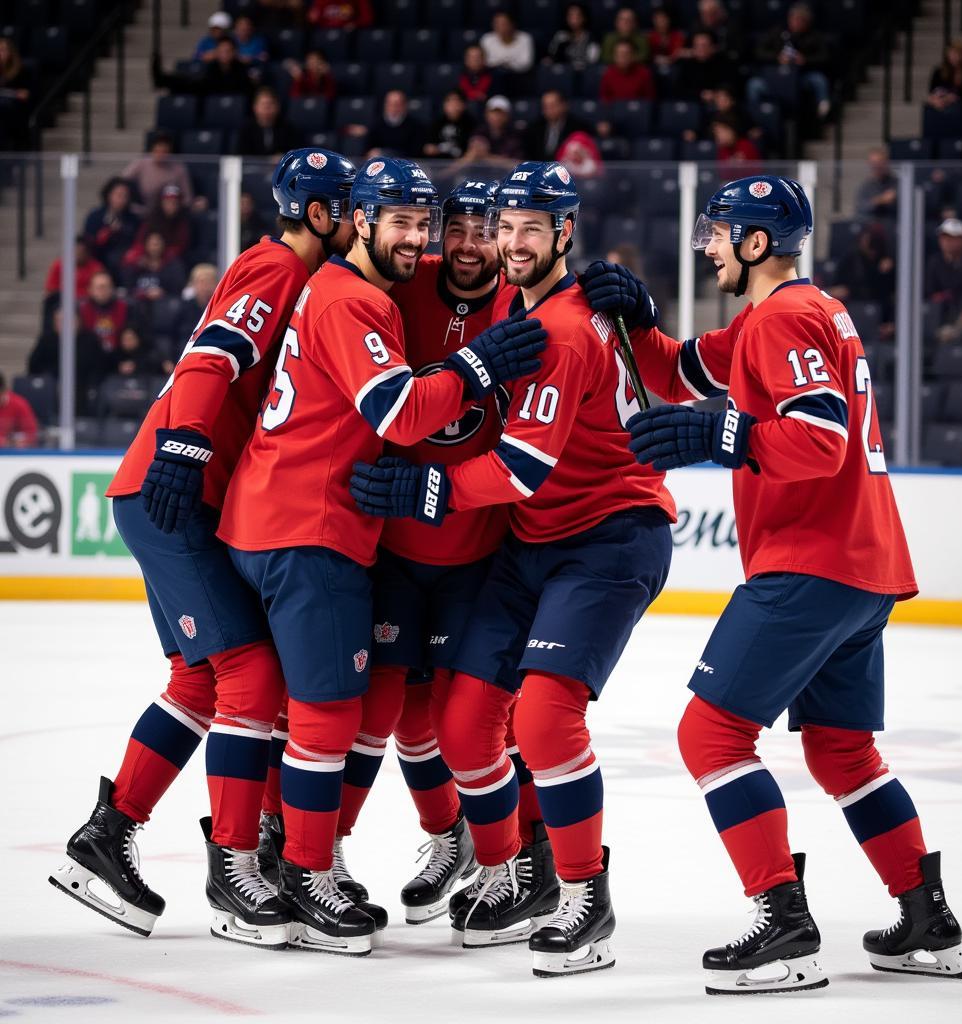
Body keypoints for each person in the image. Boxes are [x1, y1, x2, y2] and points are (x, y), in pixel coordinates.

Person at [607, 174, 962, 994]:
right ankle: (925, 917)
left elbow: (819, 439)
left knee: (709, 735)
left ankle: (784, 922)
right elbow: (678, 372)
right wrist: (638, 320)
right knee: (842, 750)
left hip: (813, 560)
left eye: (719, 233)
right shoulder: (785, 315)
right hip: (860, 567)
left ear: (757, 243)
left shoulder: (788, 318)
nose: (707, 245)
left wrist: (719, 432)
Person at [350, 162, 676, 978]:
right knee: (461, 730)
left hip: (607, 539)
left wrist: (427, 487)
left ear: (565, 232)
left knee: (543, 722)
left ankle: (580, 893)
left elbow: (522, 468)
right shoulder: (537, 305)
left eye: (533, 228)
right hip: (532, 544)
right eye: (506, 228)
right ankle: (519, 868)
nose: (512, 242)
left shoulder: (562, 327)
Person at [216, 158, 546, 955]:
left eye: (423, 222)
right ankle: (301, 869)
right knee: (338, 715)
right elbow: (399, 414)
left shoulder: (363, 288)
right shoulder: (361, 298)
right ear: (358, 220)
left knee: (420, 720)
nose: (429, 239)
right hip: (318, 525)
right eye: (404, 220)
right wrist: (478, 365)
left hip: (311, 522)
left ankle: (279, 861)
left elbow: (559, 287)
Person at [49, 150, 360, 952]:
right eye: (350, 212)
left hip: (181, 490)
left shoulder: (301, 274)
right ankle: (233, 865)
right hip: (174, 489)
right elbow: (213, 353)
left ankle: (106, 835)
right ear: (321, 216)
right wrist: (186, 445)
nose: (360, 225)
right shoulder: (275, 268)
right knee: (249, 673)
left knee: (199, 675)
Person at [325, 180, 537, 926]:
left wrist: (619, 296)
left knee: (466, 719)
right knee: (379, 713)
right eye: (460, 231)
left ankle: (497, 858)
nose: (473, 247)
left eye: (489, 233)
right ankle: (332, 853)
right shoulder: (392, 289)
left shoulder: (519, 304)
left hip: (476, 553)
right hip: (390, 549)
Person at [749, 2, 831, 120]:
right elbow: (759, 52)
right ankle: (756, 115)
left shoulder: (814, 36)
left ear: (807, 22)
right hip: (775, 78)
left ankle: (823, 113)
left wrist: (805, 59)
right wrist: (777, 57)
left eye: (800, 20)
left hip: (800, 77)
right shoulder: (777, 32)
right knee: (754, 85)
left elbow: (824, 56)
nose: (796, 23)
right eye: (794, 19)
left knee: (818, 79)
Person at [828, 223, 896, 338]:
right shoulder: (851, 259)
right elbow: (838, 287)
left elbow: (889, 292)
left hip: (880, 310)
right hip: (852, 305)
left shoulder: (886, 262)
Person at [925, 218, 962, 345]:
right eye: (944, 238)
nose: (946, 242)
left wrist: (950, 296)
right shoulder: (934, 262)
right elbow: (929, 290)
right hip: (940, 311)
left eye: (952, 238)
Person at [83, 178, 142, 280]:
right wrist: (106, 233)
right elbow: (88, 240)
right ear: (109, 194)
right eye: (118, 195)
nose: (121, 199)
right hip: (99, 257)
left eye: (125, 196)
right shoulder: (95, 216)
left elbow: (137, 239)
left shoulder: (133, 218)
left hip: (123, 260)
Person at [122, 134, 194, 212]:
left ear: (170, 152)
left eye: (164, 152)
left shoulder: (179, 168)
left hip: (169, 212)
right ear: (152, 150)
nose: (160, 155)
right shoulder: (141, 162)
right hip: (142, 209)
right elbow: (122, 180)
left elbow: (187, 197)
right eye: (157, 151)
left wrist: (178, 208)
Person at [124, 184, 193, 266]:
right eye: (167, 202)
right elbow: (140, 242)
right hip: (147, 256)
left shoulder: (183, 222)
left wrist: (162, 259)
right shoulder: (151, 220)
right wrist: (145, 258)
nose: (171, 206)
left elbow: (180, 247)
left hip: (170, 259)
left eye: (174, 203)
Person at [524, 90, 592, 162]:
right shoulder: (534, 128)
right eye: (545, 107)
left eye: (552, 106)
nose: (549, 110)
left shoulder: (577, 127)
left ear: (564, 105)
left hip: (566, 170)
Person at [123, 232, 188, 307]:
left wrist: (163, 292)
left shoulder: (172, 264)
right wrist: (144, 293)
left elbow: (178, 286)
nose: (154, 248)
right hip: (140, 302)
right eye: (151, 244)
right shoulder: (137, 264)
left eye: (157, 244)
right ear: (146, 245)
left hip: (165, 302)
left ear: (163, 245)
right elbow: (128, 286)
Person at [236, 87, 303, 158]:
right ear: (255, 107)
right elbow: (240, 156)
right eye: (263, 105)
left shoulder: (288, 128)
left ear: (277, 107)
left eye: (270, 104)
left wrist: (283, 157)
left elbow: (296, 154)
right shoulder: (246, 129)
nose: (266, 108)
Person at [78, 271, 129, 354]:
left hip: (118, 355)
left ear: (112, 289)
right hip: (90, 355)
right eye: (99, 287)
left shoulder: (125, 308)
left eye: (106, 287)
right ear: (90, 290)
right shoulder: (81, 310)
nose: (102, 291)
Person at [361, 90, 425, 157]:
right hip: (381, 164)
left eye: (396, 104)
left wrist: (387, 153)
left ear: (404, 106)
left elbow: (415, 153)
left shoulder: (416, 126)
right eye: (389, 104)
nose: (393, 108)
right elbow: (366, 150)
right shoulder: (376, 124)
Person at [674, 31, 735, 101]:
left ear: (712, 47)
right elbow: (680, 89)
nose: (700, 49)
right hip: (693, 101)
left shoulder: (723, 63)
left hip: (718, 100)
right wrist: (700, 94)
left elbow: (729, 85)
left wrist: (715, 93)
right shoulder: (687, 65)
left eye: (704, 45)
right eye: (697, 45)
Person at [43, 236, 105, 301]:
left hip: (88, 304)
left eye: (82, 252)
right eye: (76, 251)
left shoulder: (96, 267)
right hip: (63, 302)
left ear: (88, 252)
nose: (78, 254)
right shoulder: (59, 265)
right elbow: (50, 290)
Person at [422, 90, 477, 160]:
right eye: (450, 102)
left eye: (457, 102)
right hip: (437, 163)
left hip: (462, 165)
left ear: (464, 105)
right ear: (444, 105)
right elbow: (427, 148)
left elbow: (472, 151)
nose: (453, 106)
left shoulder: (471, 123)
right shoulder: (437, 123)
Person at [546, 3, 600, 71]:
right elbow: (551, 55)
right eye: (570, 16)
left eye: (577, 16)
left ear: (584, 18)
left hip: (583, 73)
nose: (573, 20)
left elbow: (592, 61)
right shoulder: (560, 35)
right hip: (563, 73)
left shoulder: (591, 38)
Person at [481, 11, 535, 76]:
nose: (499, 27)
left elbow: (526, 63)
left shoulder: (525, 38)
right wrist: (508, 62)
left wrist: (503, 63)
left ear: (512, 24)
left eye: (503, 24)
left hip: (519, 76)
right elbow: (486, 62)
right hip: (493, 76)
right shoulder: (487, 39)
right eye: (496, 23)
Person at [855, 147, 898, 221]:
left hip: (894, 224)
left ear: (886, 163)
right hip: (872, 226)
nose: (877, 166)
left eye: (880, 163)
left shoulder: (897, 183)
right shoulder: (865, 186)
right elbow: (861, 208)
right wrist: (880, 200)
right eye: (873, 163)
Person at [0, 372, 39, 448]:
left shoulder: (19, 404)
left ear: (4, 391)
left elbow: (32, 435)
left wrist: (14, 442)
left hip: (12, 454)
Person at [307, 0, 374, 29]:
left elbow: (367, 18)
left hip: (348, 35)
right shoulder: (321, 1)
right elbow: (314, 18)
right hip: (325, 32)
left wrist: (355, 24)